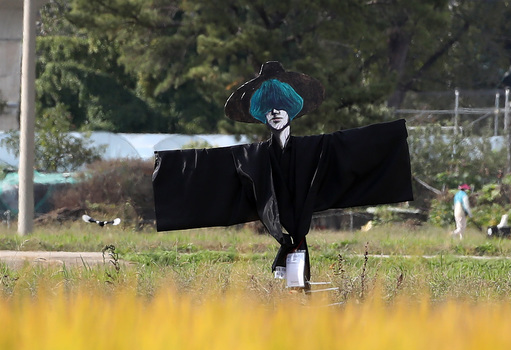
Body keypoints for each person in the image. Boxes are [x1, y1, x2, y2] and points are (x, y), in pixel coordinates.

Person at [153, 61, 414, 289]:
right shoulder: (253, 157)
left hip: (298, 226)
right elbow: (211, 167)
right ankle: (293, 290)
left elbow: (350, 146)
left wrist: (391, 137)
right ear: (262, 114)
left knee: (297, 277)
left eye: (281, 106)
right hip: (284, 225)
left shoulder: (315, 150)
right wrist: (170, 169)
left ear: (291, 109)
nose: (275, 112)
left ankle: (297, 289)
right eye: (269, 108)